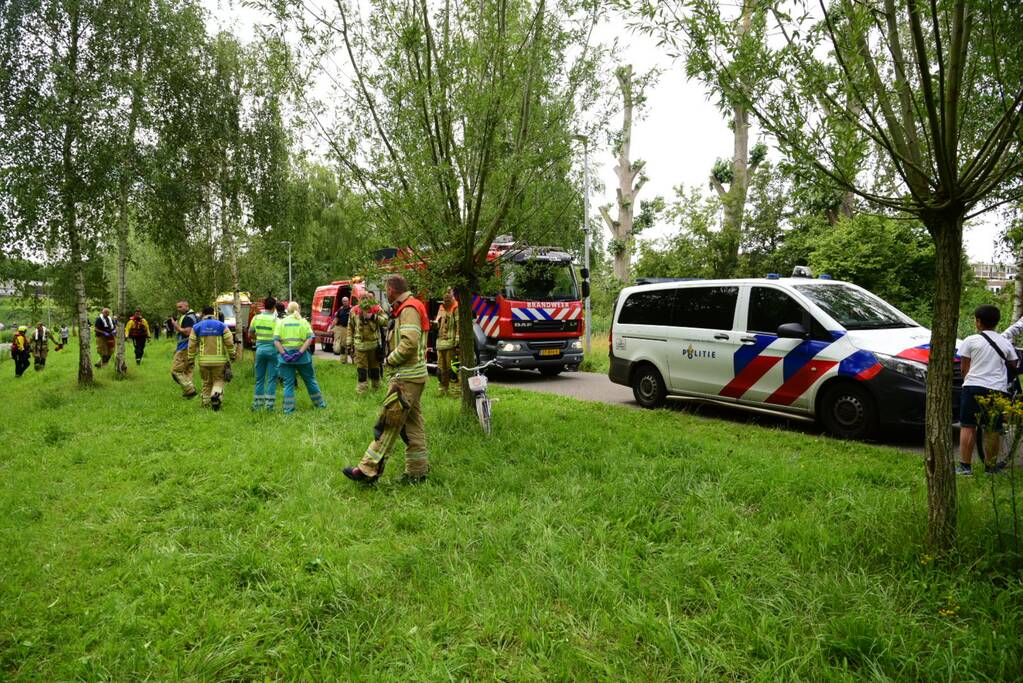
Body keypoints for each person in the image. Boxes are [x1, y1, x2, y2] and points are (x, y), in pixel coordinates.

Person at [344, 275, 430, 485]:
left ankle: (367, 470)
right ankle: (417, 473)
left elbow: (409, 343)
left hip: (406, 377)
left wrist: (390, 360)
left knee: (388, 423)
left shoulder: (409, 308)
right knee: (412, 426)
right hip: (413, 376)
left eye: (386, 289)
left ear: (391, 289)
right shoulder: (409, 306)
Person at [957, 304, 1019, 476]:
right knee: (992, 428)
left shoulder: (970, 340)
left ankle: (965, 467)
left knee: (968, 426)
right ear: (997, 322)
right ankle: (990, 469)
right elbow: (1013, 366)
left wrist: (969, 380)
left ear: (978, 321)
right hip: (997, 390)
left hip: (973, 386)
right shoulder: (1005, 342)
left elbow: (964, 368)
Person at [274, 301, 326, 414]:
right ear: (298, 309)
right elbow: (310, 338)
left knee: (288, 384)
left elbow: (276, 341)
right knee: (310, 381)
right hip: (303, 358)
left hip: (286, 359)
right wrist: (300, 353)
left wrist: (283, 354)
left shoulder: (282, 322)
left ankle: (288, 409)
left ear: (288, 310)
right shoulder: (303, 322)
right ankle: (320, 405)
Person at [187, 306, 235, 410]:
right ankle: (216, 396)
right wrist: (232, 355)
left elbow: (191, 345)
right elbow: (230, 343)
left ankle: (205, 404)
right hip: (219, 362)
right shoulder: (222, 326)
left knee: (206, 382)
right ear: (213, 313)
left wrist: (190, 359)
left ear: (203, 314)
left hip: (203, 362)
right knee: (219, 380)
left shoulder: (196, 327)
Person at [347, 292, 388, 393]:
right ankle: (362, 390)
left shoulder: (376, 309)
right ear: (359, 299)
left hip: (373, 345)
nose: (364, 300)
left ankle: (376, 387)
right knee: (361, 369)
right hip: (360, 346)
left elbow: (386, 321)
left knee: (375, 368)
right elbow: (350, 328)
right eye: (362, 298)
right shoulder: (354, 310)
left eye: (366, 298)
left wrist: (372, 316)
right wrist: (349, 344)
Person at [251, 296, 280, 411]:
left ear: (264, 305)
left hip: (260, 350)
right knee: (272, 379)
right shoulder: (277, 321)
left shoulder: (256, 318)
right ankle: (269, 406)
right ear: (274, 307)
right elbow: (280, 337)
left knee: (259, 379)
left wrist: (258, 339)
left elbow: (250, 333)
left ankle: (257, 405)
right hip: (273, 351)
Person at [433, 290, 461, 397]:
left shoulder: (456, 308)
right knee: (441, 370)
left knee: (453, 371)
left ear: (453, 297)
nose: (447, 300)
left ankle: (456, 393)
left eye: (449, 297)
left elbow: (459, 327)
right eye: (445, 298)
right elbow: (438, 325)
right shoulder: (441, 308)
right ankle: (442, 391)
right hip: (441, 345)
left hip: (452, 345)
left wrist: (458, 344)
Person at [171, 301, 198, 399]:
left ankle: (190, 390)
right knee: (187, 371)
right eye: (177, 307)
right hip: (192, 347)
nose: (179, 309)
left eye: (181, 307)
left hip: (185, 347)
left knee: (176, 371)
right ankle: (188, 393)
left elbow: (188, 332)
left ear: (187, 306)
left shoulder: (188, 317)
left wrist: (176, 326)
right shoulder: (194, 316)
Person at [332, 296, 352, 361]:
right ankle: (343, 360)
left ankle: (354, 360)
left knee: (350, 345)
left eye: (346, 301)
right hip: (341, 329)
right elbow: (336, 319)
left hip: (349, 329)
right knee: (342, 345)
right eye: (343, 301)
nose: (345, 302)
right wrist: (331, 327)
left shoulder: (352, 309)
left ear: (348, 301)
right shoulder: (340, 310)